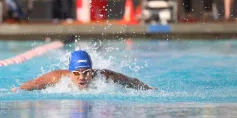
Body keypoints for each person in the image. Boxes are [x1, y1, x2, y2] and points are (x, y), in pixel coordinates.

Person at [15, 50, 155, 91]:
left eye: (86, 72)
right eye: (76, 73)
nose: (82, 77)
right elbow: (33, 84)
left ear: (92, 71)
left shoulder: (104, 77)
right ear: (70, 73)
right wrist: (18, 89)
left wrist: (148, 88)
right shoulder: (56, 78)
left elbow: (130, 81)